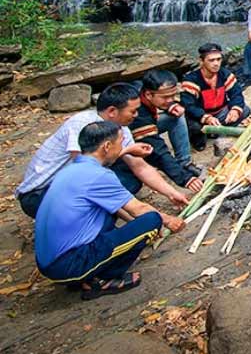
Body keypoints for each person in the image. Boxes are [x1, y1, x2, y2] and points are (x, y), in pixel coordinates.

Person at [34, 120, 186, 300]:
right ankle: (103, 279)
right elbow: (139, 209)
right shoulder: (98, 176)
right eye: (121, 143)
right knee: (151, 221)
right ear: (106, 146)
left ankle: (86, 274)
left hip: (48, 262)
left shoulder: (70, 170)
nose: (122, 147)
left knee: (109, 212)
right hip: (67, 265)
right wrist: (169, 220)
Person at [15, 83, 191, 218]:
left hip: (73, 183)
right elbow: (82, 169)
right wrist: (126, 150)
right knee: (100, 196)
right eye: (133, 111)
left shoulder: (121, 128)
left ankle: (102, 213)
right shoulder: (83, 124)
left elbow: (141, 167)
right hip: (40, 194)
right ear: (112, 111)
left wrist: (172, 193)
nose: (137, 115)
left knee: (130, 179)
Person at [123, 70, 204, 193]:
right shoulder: (138, 114)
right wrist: (185, 179)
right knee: (133, 181)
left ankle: (185, 163)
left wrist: (170, 105)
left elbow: (169, 99)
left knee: (177, 116)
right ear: (149, 95)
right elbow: (159, 151)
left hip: (146, 125)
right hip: (125, 139)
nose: (171, 99)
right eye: (166, 97)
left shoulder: (141, 88)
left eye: (172, 95)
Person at [181, 43, 248, 151]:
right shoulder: (191, 80)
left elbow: (236, 94)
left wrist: (235, 110)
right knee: (196, 134)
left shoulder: (225, 74)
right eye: (211, 60)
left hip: (220, 113)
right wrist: (206, 117)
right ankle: (205, 136)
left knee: (244, 110)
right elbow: (188, 106)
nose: (216, 64)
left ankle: (217, 131)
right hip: (200, 117)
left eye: (218, 59)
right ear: (201, 61)